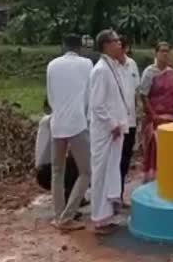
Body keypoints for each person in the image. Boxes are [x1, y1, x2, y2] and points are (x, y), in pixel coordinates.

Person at [45, 34, 92, 231]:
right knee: (86, 172)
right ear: (80, 47)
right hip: (77, 123)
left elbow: (50, 97)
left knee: (57, 171)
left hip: (57, 123)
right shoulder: (87, 64)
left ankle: (58, 215)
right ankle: (67, 217)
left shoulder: (52, 65)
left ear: (64, 46)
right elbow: (89, 96)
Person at [89, 29, 130, 234]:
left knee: (110, 172)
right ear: (106, 45)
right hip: (105, 131)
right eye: (115, 41)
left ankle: (107, 215)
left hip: (113, 130)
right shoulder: (101, 70)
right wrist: (113, 123)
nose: (119, 44)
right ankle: (98, 217)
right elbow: (97, 105)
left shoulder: (112, 66)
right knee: (101, 174)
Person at [139, 42, 173, 182]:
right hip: (156, 118)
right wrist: (153, 116)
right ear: (156, 53)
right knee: (156, 148)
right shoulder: (149, 72)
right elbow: (143, 96)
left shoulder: (172, 72)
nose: (165, 54)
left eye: (167, 51)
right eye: (162, 51)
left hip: (172, 118)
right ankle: (153, 179)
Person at [35, 101, 81, 208]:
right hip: (46, 170)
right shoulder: (50, 121)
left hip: (45, 169)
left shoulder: (47, 121)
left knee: (75, 160)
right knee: (80, 163)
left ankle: (73, 197)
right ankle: (68, 201)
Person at [118, 37, 140, 203]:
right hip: (116, 123)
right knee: (115, 159)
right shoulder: (110, 67)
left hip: (130, 120)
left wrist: (136, 114)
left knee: (126, 157)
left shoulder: (131, 64)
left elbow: (135, 92)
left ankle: (120, 193)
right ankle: (112, 196)